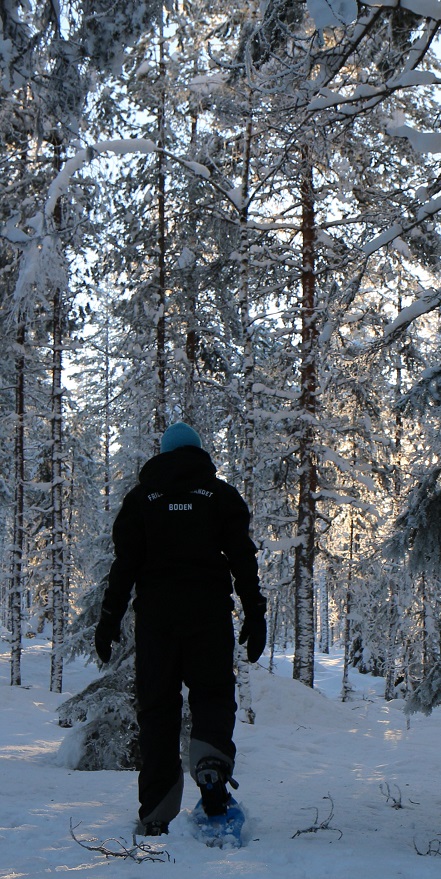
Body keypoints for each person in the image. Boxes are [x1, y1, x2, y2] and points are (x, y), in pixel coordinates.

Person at [95, 422, 266, 836]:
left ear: (164, 453)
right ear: (199, 452)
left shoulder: (142, 499)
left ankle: (156, 813)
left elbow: (125, 565)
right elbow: (242, 558)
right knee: (212, 697)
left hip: (156, 621)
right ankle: (212, 776)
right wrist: (254, 612)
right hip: (208, 616)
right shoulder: (220, 496)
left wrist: (110, 617)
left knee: (157, 710)